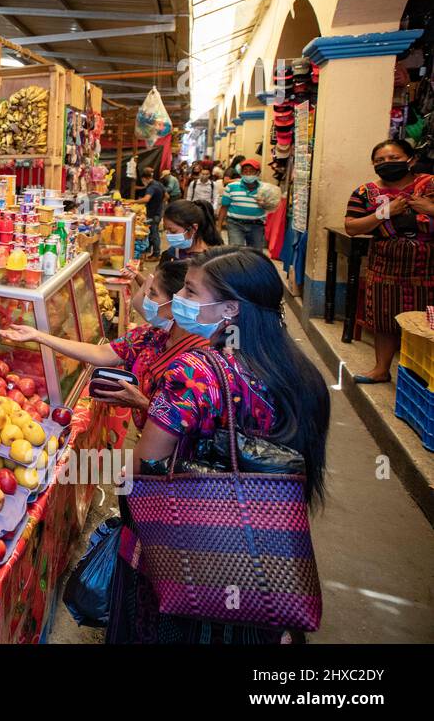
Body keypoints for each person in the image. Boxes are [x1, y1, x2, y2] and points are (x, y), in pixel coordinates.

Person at [106, 247, 329, 644]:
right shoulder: (297, 370)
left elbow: (147, 464)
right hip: (263, 555)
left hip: (189, 546)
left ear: (229, 310)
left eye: (190, 293)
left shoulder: (196, 372)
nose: (179, 302)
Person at [0, 260, 207, 426]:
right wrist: (39, 336)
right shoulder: (153, 335)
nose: (145, 298)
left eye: (152, 294)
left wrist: (143, 404)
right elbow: (102, 353)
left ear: (176, 303)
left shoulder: (201, 358)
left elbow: (193, 425)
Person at [344, 139, 434, 383]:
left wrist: (429, 208)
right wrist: (385, 212)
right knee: (384, 315)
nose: (386, 164)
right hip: (385, 264)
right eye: (380, 160)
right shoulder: (365, 192)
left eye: (394, 158)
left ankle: (422, 375)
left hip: (427, 266)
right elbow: (351, 227)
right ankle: (381, 369)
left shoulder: (429, 185)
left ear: (411, 159)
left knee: (426, 319)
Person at [217, 159, 270, 250]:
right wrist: (219, 226)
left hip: (256, 226)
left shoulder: (265, 189)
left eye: (251, 171)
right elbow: (224, 207)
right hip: (235, 224)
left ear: (258, 173)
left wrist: (265, 204)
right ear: (241, 173)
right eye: (245, 171)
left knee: (256, 254)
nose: (248, 174)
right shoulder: (231, 187)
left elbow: (271, 207)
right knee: (236, 252)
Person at [158, 199, 222, 265]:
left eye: (173, 231)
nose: (168, 235)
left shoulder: (210, 261)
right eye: (166, 230)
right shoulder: (171, 253)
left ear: (193, 228)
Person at [134, 166, 166, 258]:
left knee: (154, 233)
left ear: (144, 178)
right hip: (159, 211)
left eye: (143, 180)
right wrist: (158, 202)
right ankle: (149, 250)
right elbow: (166, 196)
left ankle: (156, 254)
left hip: (153, 214)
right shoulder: (159, 184)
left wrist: (133, 201)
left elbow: (146, 199)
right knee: (152, 232)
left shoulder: (151, 187)